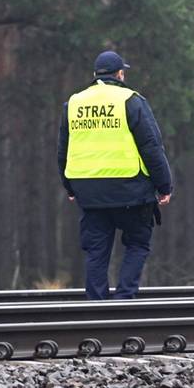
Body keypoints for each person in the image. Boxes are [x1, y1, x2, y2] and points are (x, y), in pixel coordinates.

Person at [58, 51, 173, 300]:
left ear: (95, 75)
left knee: (96, 251)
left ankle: (97, 308)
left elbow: (63, 150)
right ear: (120, 74)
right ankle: (124, 301)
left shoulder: (74, 103)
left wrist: (69, 187)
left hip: (89, 193)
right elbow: (152, 147)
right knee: (137, 243)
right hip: (131, 189)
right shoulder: (131, 100)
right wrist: (164, 186)